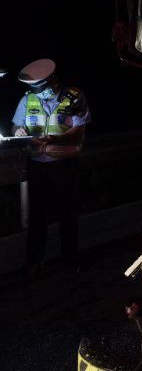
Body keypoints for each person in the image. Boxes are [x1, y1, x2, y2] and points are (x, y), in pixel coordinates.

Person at [11, 59, 90, 274]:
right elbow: (17, 124)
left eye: (43, 88)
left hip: (63, 163)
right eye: (36, 89)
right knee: (37, 214)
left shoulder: (74, 96)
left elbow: (80, 129)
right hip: (37, 163)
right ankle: (34, 261)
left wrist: (55, 140)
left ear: (53, 81)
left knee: (67, 213)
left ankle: (71, 260)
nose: (39, 93)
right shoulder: (27, 99)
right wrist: (18, 131)